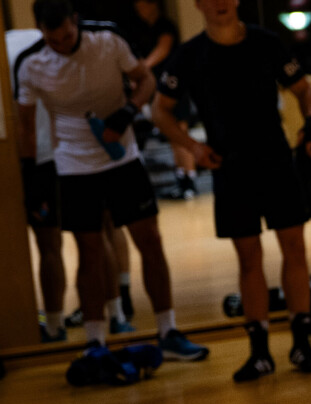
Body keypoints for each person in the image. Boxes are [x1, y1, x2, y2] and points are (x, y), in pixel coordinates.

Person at [16, 0, 208, 360]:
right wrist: (32, 179)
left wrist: (127, 112)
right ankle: (95, 342)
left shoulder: (108, 41)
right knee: (89, 253)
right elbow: (26, 127)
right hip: (73, 166)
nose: (61, 44)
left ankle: (168, 331)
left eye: (67, 36)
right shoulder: (30, 64)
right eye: (53, 39)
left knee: (150, 241)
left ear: (76, 22)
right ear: (41, 29)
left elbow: (146, 79)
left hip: (123, 159)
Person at [152, 0, 311, 381]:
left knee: (295, 248)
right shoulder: (190, 55)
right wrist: (192, 148)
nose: (219, 3)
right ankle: (259, 351)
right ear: (198, 4)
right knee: (249, 258)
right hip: (231, 168)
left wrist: (310, 124)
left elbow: (305, 92)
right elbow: (160, 110)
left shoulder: (267, 43)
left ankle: (302, 343)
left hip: (277, 162)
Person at [8, 28, 66, 343]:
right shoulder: (30, 40)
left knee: (48, 246)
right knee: (49, 246)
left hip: (37, 158)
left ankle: (50, 324)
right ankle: (50, 323)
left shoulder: (28, 40)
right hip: (37, 158)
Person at [123, 0, 198, 199]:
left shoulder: (165, 25)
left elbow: (162, 50)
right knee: (172, 134)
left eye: (143, 4)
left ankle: (189, 180)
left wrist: (141, 70)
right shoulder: (138, 29)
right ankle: (182, 179)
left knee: (180, 131)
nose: (141, 9)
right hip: (156, 87)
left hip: (174, 87)